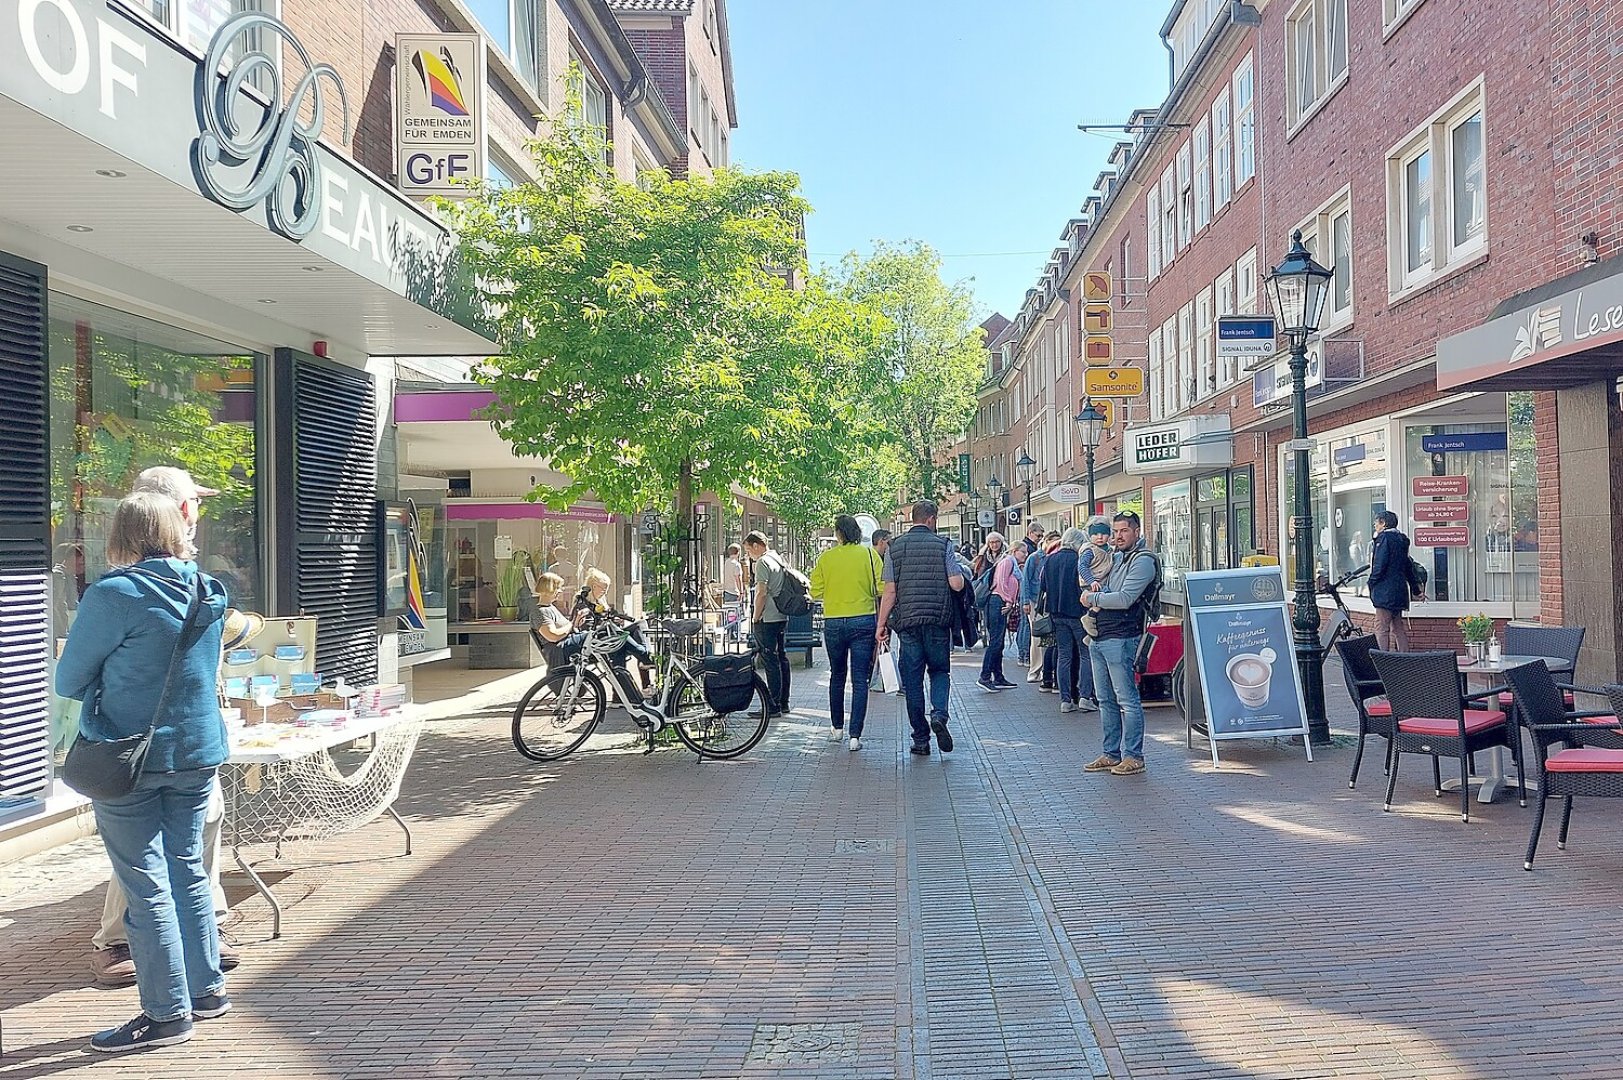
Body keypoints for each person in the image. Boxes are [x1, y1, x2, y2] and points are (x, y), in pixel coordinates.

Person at [57, 493, 231, 1052]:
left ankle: (165, 1013)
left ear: (122, 534)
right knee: (187, 869)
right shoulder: (210, 590)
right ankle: (205, 991)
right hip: (198, 751)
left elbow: (69, 680)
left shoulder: (115, 594)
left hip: (130, 755)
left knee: (145, 881)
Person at [92, 467, 236, 989]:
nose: (198, 512)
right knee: (175, 865)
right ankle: (195, 983)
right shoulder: (200, 585)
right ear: (172, 510)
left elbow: (73, 676)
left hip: (153, 743)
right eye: (194, 502)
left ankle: (170, 1004)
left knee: (156, 867)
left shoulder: (128, 590)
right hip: (176, 746)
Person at [876, 501, 965, 757]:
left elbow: (890, 591)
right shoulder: (944, 545)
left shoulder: (895, 548)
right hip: (937, 621)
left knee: (913, 682)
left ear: (912, 519)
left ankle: (921, 739)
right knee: (939, 672)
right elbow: (956, 584)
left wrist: (881, 625)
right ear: (931, 519)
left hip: (908, 624)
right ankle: (939, 714)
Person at [1081, 511, 1160, 776]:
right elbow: (1106, 588)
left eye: (1124, 531)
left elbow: (1125, 598)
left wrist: (1092, 600)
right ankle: (1111, 753)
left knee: (1127, 699)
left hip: (1123, 637)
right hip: (1100, 636)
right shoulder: (1116, 557)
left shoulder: (1143, 561)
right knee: (1104, 699)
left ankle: (1134, 756)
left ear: (1137, 531)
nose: (1117, 537)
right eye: (1115, 532)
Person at [810, 515, 885, 749]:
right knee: (860, 678)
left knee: (837, 674)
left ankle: (836, 728)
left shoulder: (826, 558)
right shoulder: (869, 555)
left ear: (838, 534)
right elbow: (881, 587)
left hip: (833, 621)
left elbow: (815, 591)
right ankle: (855, 736)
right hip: (863, 620)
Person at [1042, 529, 1097, 715]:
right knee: (1085, 654)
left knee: (1064, 655)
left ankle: (1065, 700)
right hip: (1078, 613)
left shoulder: (1050, 559)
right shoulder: (1079, 561)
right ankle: (1085, 696)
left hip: (1056, 613)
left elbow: (1043, 586)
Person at [744, 532, 791, 718]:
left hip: (768, 617)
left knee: (769, 660)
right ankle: (783, 702)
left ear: (757, 546)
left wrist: (755, 617)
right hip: (781, 614)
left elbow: (761, 592)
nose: (748, 555)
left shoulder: (762, 562)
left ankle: (772, 705)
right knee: (781, 658)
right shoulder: (778, 558)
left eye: (748, 550)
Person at [975, 533, 1020, 692]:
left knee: (998, 641)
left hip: (998, 599)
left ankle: (998, 676)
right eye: (991, 542)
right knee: (996, 640)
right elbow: (998, 582)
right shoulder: (1002, 560)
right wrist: (1008, 600)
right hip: (994, 600)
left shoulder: (1005, 558)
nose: (994, 545)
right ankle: (985, 676)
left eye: (996, 542)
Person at [1367, 510, 1413, 651]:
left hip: (1385, 591)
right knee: (1398, 628)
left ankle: (1382, 661)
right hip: (1400, 590)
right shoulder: (1402, 540)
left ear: (1384, 523)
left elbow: (1379, 565)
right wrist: (1415, 588)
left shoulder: (1384, 539)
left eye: (1377, 522)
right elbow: (1408, 566)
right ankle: (1405, 658)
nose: (1375, 525)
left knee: (1382, 628)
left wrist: (1371, 582)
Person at [1022, 531, 1057, 684]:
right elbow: (1026, 580)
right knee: (1037, 635)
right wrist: (1025, 602)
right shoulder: (1035, 558)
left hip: (1051, 601)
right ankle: (1035, 669)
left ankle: (1046, 669)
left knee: (1049, 637)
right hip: (1036, 601)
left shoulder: (1054, 557)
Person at [1011, 544, 1031, 666]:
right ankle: (1024, 655)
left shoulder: (1014, 563)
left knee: (1022, 626)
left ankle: (1022, 655)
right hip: (1020, 596)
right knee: (1025, 625)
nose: (1025, 554)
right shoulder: (1011, 563)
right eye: (1023, 552)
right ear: (1015, 551)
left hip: (1019, 596)